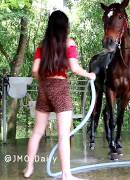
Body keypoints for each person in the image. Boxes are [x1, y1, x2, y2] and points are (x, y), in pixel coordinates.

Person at [23, 10, 96, 179]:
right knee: (63, 134)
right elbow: (75, 68)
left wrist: (44, 83)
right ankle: (66, 175)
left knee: (37, 132)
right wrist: (89, 75)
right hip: (60, 88)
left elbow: (35, 70)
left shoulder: (42, 45)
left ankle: (29, 169)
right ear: (65, 26)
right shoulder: (68, 43)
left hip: (44, 88)